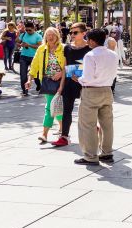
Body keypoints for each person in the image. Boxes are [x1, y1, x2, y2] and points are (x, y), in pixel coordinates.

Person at [74, 28, 119, 165]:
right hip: (107, 90)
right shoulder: (113, 54)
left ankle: (90, 156)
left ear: (92, 41)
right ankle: (107, 153)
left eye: (88, 39)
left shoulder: (90, 55)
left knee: (88, 125)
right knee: (107, 124)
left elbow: (87, 77)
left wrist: (78, 79)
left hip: (91, 91)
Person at [55, 22, 91, 147]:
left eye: (75, 32)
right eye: (71, 32)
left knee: (87, 111)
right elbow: (65, 67)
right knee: (67, 110)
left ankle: (91, 134)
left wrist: (84, 77)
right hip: (70, 82)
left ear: (84, 33)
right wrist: (61, 85)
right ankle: (64, 136)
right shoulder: (68, 48)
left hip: (85, 83)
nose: (72, 35)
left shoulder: (90, 48)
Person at [29, 27, 66, 144]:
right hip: (47, 82)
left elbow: (69, 65)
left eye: (53, 35)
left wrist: (61, 73)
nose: (50, 37)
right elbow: (34, 64)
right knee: (53, 106)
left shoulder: (64, 49)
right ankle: (54, 131)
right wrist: (29, 79)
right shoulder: (41, 49)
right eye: (48, 35)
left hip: (62, 82)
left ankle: (53, 132)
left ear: (57, 36)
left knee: (54, 107)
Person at [17, 21, 43, 96]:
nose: (28, 31)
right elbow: (17, 42)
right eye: (26, 30)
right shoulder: (23, 34)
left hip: (34, 57)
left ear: (33, 28)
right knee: (23, 75)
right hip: (23, 56)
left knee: (36, 75)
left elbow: (39, 47)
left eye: (29, 30)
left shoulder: (38, 36)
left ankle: (38, 85)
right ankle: (25, 90)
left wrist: (28, 45)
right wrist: (19, 43)